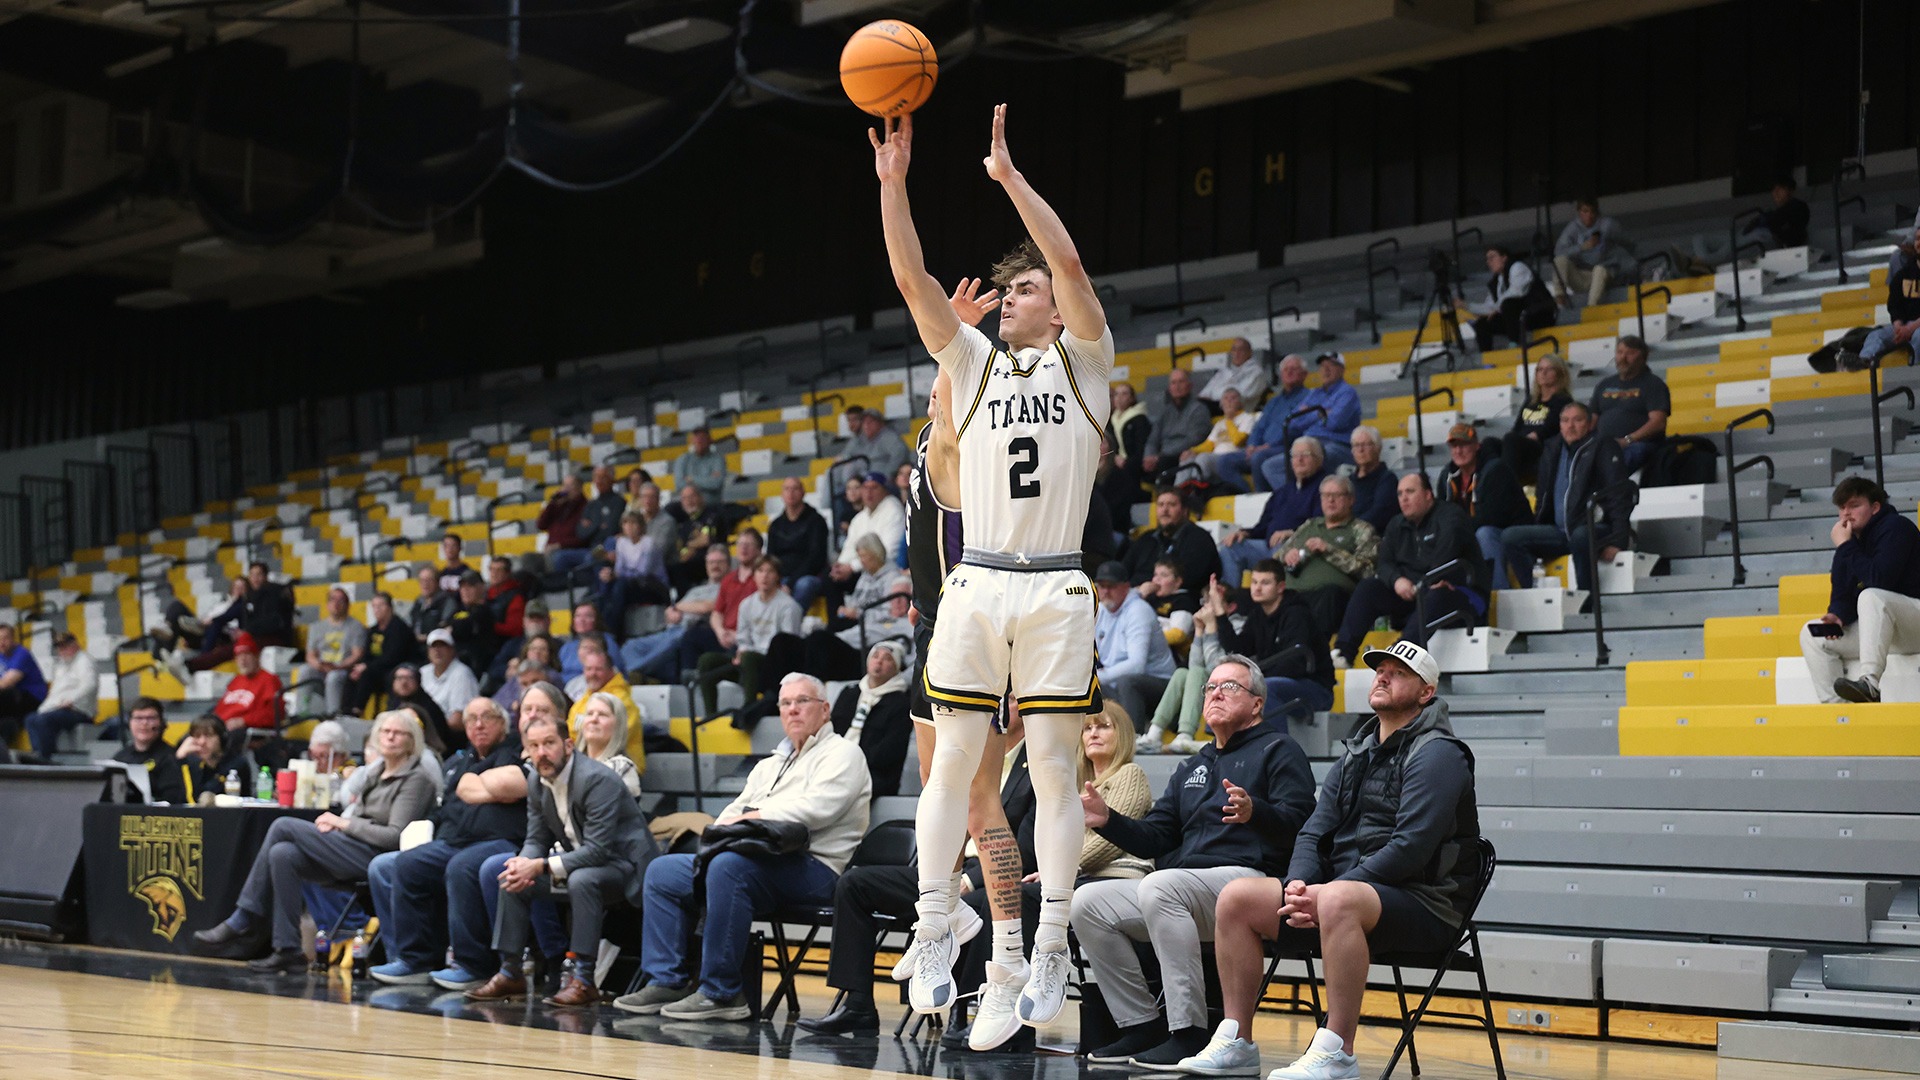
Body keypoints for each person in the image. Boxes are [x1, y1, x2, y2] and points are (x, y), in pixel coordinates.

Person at [875, 104, 1113, 1032]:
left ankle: (1049, 948)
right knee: (951, 773)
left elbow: (1074, 267)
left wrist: (1009, 178)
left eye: (1024, 290)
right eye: (1008, 292)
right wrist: (895, 186)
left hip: (1056, 583)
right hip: (975, 581)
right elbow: (910, 275)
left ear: (1053, 307)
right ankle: (936, 922)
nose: (1009, 298)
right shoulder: (969, 365)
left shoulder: (1086, 364)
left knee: (1054, 772)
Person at [1194, 640, 1478, 1080]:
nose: (1382, 677)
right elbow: (1313, 829)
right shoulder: (1357, 751)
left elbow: (1411, 848)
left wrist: (1327, 895)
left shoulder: (1439, 753)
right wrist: (1300, 885)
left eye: (1398, 673)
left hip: (1425, 902)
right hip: (1342, 895)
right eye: (1379, 670)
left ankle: (1338, 1051)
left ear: (1427, 692)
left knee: (1339, 899)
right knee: (1236, 897)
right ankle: (1236, 1040)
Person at [1073, 654, 1317, 1066]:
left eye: (1230, 687)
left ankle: (1188, 1031)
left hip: (1252, 883)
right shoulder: (1193, 765)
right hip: (1183, 892)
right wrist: (1107, 820)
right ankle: (1140, 1024)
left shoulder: (1280, 749)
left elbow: (1302, 825)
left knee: (1161, 884)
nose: (1215, 693)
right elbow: (1155, 836)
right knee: (1088, 904)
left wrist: (1256, 811)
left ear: (1257, 703)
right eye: (1210, 687)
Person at [620, 673, 870, 1020]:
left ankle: (722, 992)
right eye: (785, 703)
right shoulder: (771, 763)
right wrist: (727, 826)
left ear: (825, 709)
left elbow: (817, 810)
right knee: (662, 872)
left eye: (802, 702)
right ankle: (667, 980)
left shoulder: (844, 754)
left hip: (816, 868)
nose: (792, 710)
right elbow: (733, 812)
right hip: (758, 859)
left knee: (728, 868)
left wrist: (752, 817)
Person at [193, 710, 436, 972]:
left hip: (378, 858)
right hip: (352, 846)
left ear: (412, 741)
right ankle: (287, 949)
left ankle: (243, 917)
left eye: (398, 733)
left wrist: (343, 823)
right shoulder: (374, 773)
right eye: (385, 731)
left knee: (283, 825)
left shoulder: (417, 779)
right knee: (283, 854)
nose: (390, 737)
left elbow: (394, 836)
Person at [463, 711, 659, 1008]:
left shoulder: (596, 779)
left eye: (549, 743)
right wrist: (524, 862)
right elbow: (536, 840)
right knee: (512, 876)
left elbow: (599, 850)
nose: (542, 752)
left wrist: (539, 865)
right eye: (534, 746)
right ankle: (510, 971)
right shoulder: (537, 782)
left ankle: (583, 979)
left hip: (626, 868)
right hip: (583, 863)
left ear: (568, 745)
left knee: (582, 879)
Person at [367, 698, 528, 989]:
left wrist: (478, 788)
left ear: (503, 724)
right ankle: (415, 960)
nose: (479, 724)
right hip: (456, 840)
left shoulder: (516, 752)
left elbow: (511, 790)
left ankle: (473, 964)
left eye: (487, 717)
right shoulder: (460, 761)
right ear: (465, 727)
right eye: (471, 719)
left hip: (503, 840)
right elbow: (450, 805)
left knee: (461, 866)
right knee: (407, 863)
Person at [1334, 473, 1489, 665]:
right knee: (1369, 588)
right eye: (1399, 494)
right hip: (1417, 594)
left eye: (1410, 491)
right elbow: (1383, 564)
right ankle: (1342, 654)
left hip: (1461, 594)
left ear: (1428, 495)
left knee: (1436, 592)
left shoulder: (1451, 516)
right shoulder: (1396, 524)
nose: (1404, 498)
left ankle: (1400, 653)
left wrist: (1422, 584)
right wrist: (1397, 580)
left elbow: (1444, 560)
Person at [1800, 476, 1920, 704]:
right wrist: (1837, 616)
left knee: (1871, 596)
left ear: (1875, 508)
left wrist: (1846, 546)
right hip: (1883, 633)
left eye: (1854, 505)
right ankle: (1839, 712)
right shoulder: (1850, 543)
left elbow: (1880, 580)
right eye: (1842, 508)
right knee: (1812, 635)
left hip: (1914, 622)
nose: (1846, 513)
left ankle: (1870, 684)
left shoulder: (1897, 527)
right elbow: (1842, 595)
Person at [1500, 403, 1633, 594]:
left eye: (1577, 420)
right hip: (1560, 532)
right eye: (1565, 421)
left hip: (1597, 528)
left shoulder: (1602, 445)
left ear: (1589, 424)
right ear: (1560, 425)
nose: (1570, 426)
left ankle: (1588, 600)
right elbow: (1543, 495)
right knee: (1510, 537)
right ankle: (1537, 594)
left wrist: (1619, 540)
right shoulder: (1552, 448)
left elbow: (1618, 494)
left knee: (1580, 536)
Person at [697, 554, 802, 719]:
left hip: (773, 666)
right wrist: (742, 651)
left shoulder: (789, 606)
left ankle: (749, 709)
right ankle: (711, 715)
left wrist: (747, 653)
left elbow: (787, 646)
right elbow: (743, 638)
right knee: (707, 661)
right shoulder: (746, 604)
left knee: (749, 658)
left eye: (770, 571)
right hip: (748, 661)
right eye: (760, 571)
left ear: (778, 577)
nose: (764, 576)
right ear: (754, 575)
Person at [1276, 475, 1379, 640]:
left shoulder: (1361, 529)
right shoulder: (1310, 525)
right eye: (1325, 495)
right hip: (1292, 594)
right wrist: (1286, 555)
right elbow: (1277, 557)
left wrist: (1328, 550)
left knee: (1330, 595)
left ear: (1350, 500)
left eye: (1337, 495)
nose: (1330, 500)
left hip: (1330, 598)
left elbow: (1367, 570)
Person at [1225, 437, 1329, 587]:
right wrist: (1244, 533)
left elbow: (1321, 524)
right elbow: (1262, 527)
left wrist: (1292, 533)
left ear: (1319, 460)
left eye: (1306, 454)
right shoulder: (1282, 492)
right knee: (1231, 547)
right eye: (1295, 455)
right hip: (1268, 547)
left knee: (1283, 546)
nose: (1299, 459)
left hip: (1295, 547)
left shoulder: (1325, 488)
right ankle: (1228, 601)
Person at [620, 546, 730, 683]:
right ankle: (632, 673)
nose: (715, 566)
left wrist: (677, 606)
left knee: (670, 643)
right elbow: (672, 611)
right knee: (632, 645)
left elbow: (706, 607)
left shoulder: (728, 587)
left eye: (720, 562)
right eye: (711, 562)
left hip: (692, 631)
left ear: (728, 564)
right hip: (670, 630)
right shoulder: (696, 590)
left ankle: (630, 673)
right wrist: (670, 612)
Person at [1093, 561, 1177, 734]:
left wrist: (1098, 677)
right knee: (1085, 687)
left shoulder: (1138, 610)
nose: (1106, 591)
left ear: (1126, 587)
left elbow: (1136, 665)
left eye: (1111, 586)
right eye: (1102, 586)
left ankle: (1133, 738)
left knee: (1127, 681)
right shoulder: (1100, 610)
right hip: (1118, 683)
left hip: (1159, 685)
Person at [1436, 423, 1530, 572]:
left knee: (1484, 534)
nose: (1458, 451)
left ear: (1477, 446)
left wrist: (1457, 531)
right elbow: (1440, 513)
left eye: (1464, 445)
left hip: (1511, 534)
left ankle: (1497, 590)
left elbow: (1491, 517)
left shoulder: (1496, 470)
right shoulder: (1446, 475)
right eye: (1454, 446)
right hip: (1470, 531)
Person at [1215, 354, 1312, 493]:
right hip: (1261, 449)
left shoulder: (1309, 398)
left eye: (1294, 369)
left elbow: (1295, 428)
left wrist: (1267, 446)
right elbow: (1259, 427)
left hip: (1287, 448)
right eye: (1285, 369)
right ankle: (1247, 495)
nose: (1289, 372)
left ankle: (1264, 497)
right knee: (1224, 461)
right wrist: (1252, 445)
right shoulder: (1273, 401)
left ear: (1304, 374)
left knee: (1258, 457)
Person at [829, 640, 913, 799]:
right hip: (835, 765)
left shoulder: (901, 703)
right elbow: (830, 731)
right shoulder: (849, 693)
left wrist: (850, 762)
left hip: (872, 776)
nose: (879, 661)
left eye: (887, 658)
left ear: (897, 667)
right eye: (875, 656)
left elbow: (888, 753)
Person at [188, 562, 295, 672]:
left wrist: (246, 631)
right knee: (225, 642)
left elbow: (273, 622)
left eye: (259, 575)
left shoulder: (274, 593)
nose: (255, 578)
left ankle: (191, 666)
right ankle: (191, 660)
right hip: (254, 636)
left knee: (233, 648)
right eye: (252, 575)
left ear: (265, 577)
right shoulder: (249, 596)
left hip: (274, 638)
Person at [1840, 229, 1920, 373]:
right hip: (1905, 326)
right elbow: (1894, 305)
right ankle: (1865, 364)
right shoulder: (1903, 274)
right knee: (1875, 335)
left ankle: (1914, 373)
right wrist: (1898, 327)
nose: (1919, 242)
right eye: (1918, 239)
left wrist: (1910, 329)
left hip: (1917, 327)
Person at [1589, 335, 1669, 474]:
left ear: (1643, 357)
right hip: (1603, 444)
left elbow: (1658, 422)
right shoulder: (1604, 384)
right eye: (1619, 352)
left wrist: (1627, 440)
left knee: (1622, 460)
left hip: (1637, 444)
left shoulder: (1653, 384)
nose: (1623, 358)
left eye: (1630, 353)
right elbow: (1592, 419)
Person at [1459, 246, 1556, 353]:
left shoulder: (1518, 267)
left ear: (1504, 257)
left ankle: (1513, 344)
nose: (1489, 262)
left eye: (1492, 257)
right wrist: (1466, 306)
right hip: (1517, 320)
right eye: (1487, 259)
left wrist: (1497, 309)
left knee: (1508, 303)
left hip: (1538, 314)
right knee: (1482, 324)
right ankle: (1487, 359)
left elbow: (1517, 292)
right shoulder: (1496, 282)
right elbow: (1490, 307)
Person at [1124, 487, 1223, 592]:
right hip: (1133, 595)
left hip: (1176, 600)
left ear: (1185, 511)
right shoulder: (1146, 538)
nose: (1165, 510)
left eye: (1172, 505)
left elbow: (1187, 579)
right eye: (1161, 505)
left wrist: (1149, 588)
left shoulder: (1199, 539)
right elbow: (1124, 570)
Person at [1498, 353, 1574, 484]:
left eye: (1548, 369)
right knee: (1489, 444)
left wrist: (1530, 436)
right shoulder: (1530, 400)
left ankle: (1507, 487)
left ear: (1559, 373)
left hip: (1541, 447)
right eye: (1539, 369)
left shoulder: (1563, 400)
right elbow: (1517, 427)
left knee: (1511, 440)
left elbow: (1549, 428)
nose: (1543, 373)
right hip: (1520, 443)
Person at [565, 642, 641, 773]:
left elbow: (614, 737)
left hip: (621, 769)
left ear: (611, 671)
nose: (592, 673)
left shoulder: (622, 700)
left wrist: (583, 731)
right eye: (588, 669)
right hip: (585, 767)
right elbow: (569, 734)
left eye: (598, 669)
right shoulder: (581, 702)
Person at [24, 630, 95, 759]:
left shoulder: (84, 661)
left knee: (43, 720)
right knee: (31, 719)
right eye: (59, 647)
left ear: (74, 645)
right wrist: (42, 709)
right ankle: (38, 753)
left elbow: (89, 685)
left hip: (79, 710)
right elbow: (54, 693)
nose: (62, 650)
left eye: (65, 646)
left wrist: (71, 700)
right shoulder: (61, 666)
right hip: (60, 708)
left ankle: (46, 756)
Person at [1552, 196, 1633, 308]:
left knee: (1599, 270)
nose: (1589, 216)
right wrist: (1582, 247)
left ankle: (1591, 309)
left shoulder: (1607, 225)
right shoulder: (1573, 228)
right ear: (1579, 212)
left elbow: (1628, 243)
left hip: (1605, 274)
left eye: (1592, 212)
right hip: (1584, 276)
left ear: (1597, 213)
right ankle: (1560, 304)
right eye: (1585, 211)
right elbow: (1558, 252)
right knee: (1560, 261)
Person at [1287, 353, 1362, 472]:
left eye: (1331, 365)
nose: (1326, 369)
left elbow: (1335, 423)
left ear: (1341, 370)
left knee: (1315, 456)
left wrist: (1308, 414)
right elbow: (1292, 423)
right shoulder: (1314, 394)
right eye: (1322, 366)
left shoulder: (1347, 393)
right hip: (1310, 443)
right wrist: (1320, 413)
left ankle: (1314, 489)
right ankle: (1297, 490)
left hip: (1338, 445)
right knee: (1270, 466)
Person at [767, 477, 832, 611]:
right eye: (787, 489)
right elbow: (770, 557)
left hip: (810, 575)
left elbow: (816, 558)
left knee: (804, 585)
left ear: (803, 493)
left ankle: (791, 625)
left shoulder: (816, 521)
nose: (791, 493)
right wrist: (776, 580)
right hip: (782, 577)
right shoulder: (775, 525)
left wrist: (790, 584)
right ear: (782, 495)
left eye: (795, 489)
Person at [347, 592, 416, 716]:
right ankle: (346, 714)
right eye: (374, 606)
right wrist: (360, 667)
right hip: (377, 670)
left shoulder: (399, 628)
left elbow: (393, 657)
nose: (376, 609)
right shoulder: (373, 630)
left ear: (390, 607)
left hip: (396, 668)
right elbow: (367, 654)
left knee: (368, 673)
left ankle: (358, 711)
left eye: (380, 605)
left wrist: (367, 666)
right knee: (352, 675)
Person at [1140, 367, 1212, 484]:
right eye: (1173, 383)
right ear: (1169, 388)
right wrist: (1149, 456)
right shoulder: (1165, 412)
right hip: (1163, 456)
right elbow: (1153, 439)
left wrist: (1161, 455)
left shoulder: (1199, 409)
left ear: (1189, 385)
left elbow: (1195, 439)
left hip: (1183, 454)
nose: (1177, 386)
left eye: (1181, 382)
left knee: (1165, 463)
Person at [303, 587, 367, 717]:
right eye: (332, 600)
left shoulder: (356, 626)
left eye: (341, 600)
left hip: (344, 670)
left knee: (334, 676)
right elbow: (310, 655)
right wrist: (320, 665)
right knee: (305, 670)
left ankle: (333, 715)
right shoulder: (316, 627)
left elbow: (357, 654)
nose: (336, 604)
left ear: (347, 605)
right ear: (327, 604)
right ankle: (302, 711)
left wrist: (337, 666)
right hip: (322, 668)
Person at [834, 471, 907, 579]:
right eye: (865, 488)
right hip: (860, 568)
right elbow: (850, 546)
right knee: (829, 579)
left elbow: (888, 552)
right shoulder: (860, 517)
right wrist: (841, 565)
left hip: (884, 570)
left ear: (885, 490)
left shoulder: (893, 510)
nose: (869, 492)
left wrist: (852, 567)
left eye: (874, 487)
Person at [112, 698, 186, 804]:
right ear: (130, 723)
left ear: (161, 723)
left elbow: (172, 800)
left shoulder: (171, 757)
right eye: (138, 718)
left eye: (150, 718)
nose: (144, 723)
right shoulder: (120, 757)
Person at [1099, 381, 1153, 525]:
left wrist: (1126, 462)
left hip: (1134, 467)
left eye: (1125, 394)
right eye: (1117, 394)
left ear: (1132, 398)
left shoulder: (1139, 419)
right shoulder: (1110, 420)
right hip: (1115, 463)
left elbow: (1142, 448)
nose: (1120, 397)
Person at [574, 690, 643, 796]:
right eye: (589, 714)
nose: (594, 719)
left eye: (602, 715)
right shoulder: (569, 764)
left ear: (618, 725)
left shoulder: (623, 769)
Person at [174, 715, 258, 803]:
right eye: (197, 736)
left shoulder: (237, 763)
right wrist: (179, 757)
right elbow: (175, 796)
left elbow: (207, 793)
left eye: (209, 735)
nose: (202, 742)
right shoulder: (193, 763)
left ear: (222, 738)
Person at [213, 632, 282, 735]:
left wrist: (244, 720)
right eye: (239, 656)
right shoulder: (236, 681)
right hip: (222, 728)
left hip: (245, 731)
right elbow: (219, 710)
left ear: (257, 657)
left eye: (247, 654)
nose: (243, 660)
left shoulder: (269, 680)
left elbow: (273, 715)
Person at [1184, 388, 1254, 484]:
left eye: (1233, 398)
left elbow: (1238, 441)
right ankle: (1178, 489)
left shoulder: (1247, 418)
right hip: (1215, 457)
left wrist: (1229, 420)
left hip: (1233, 457)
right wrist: (1192, 450)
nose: (1229, 401)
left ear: (1240, 402)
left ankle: (1195, 487)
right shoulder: (1220, 424)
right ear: (1221, 404)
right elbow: (1209, 445)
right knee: (1188, 458)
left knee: (1204, 458)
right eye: (1226, 398)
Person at [666, 483, 725, 593]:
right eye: (685, 498)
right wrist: (695, 544)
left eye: (692, 496)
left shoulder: (712, 515)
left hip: (710, 561)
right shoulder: (684, 525)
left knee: (679, 569)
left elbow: (706, 540)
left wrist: (690, 545)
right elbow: (683, 553)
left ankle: (685, 599)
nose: (689, 501)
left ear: (700, 497)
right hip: (689, 565)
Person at [421, 628, 479, 734]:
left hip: (449, 735)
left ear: (452, 650)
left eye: (442, 645)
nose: (437, 650)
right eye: (434, 646)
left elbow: (458, 720)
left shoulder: (462, 673)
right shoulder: (423, 672)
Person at [1344, 424, 1399, 533]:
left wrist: (1347, 530)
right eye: (1356, 445)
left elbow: (1378, 515)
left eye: (1366, 444)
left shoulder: (1388, 479)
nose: (1360, 449)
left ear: (1378, 448)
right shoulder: (1348, 482)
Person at [386, 663, 451, 754]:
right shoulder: (392, 703)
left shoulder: (428, 708)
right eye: (399, 678)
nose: (404, 682)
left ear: (418, 681)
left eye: (409, 678)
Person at [445, 571, 499, 679]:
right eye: (462, 587)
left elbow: (464, 628)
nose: (465, 590)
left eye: (470, 586)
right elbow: (443, 627)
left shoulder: (487, 610)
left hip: (477, 665)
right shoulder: (458, 610)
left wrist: (453, 628)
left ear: (482, 587)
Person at [538, 473, 593, 579]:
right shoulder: (559, 506)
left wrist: (559, 545)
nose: (565, 490)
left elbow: (584, 537)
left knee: (558, 557)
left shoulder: (586, 507)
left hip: (571, 550)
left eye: (569, 486)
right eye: (564, 486)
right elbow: (541, 525)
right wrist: (552, 505)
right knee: (529, 559)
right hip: (550, 551)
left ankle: (558, 586)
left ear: (579, 488)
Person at [1198, 338, 1270, 408]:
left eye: (1241, 350)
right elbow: (1204, 394)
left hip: (1239, 412)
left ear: (1249, 352)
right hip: (1213, 407)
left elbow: (1237, 397)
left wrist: (1217, 395)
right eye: (1234, 349)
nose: (1236, 353)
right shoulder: (1224, 371)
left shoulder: (1256, 373)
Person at [672, 425, 730, 503]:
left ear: (709, 440)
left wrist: (692, 479)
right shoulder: (683, 459)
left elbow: (716, 483)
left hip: (710, 504)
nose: (699, 441)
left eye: (703, 439)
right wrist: (707, 481)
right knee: (670, 508)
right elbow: (679, 484)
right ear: (692, 441)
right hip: (686, 504)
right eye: (697, 438)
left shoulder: (718, 459)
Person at [409, 564, 456, 649]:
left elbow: (445, 628)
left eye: (429, 580)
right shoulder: (418, 602)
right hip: (416, 648)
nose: (425, 584)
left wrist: (425, 636)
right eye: (422, 580)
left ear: (437, 582)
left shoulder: (447, 602)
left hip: (437, 648)